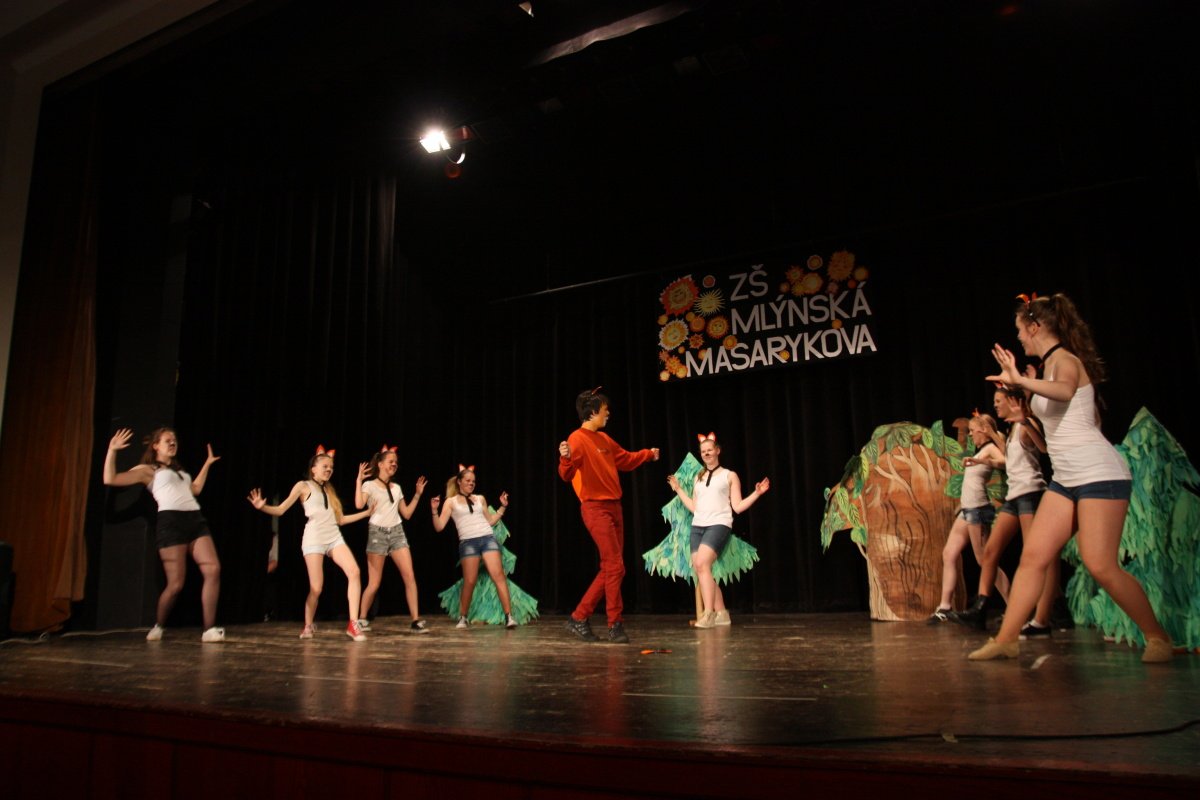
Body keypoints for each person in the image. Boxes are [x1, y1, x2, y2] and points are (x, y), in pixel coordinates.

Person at [969, 293, 1173, 662]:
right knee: (1033, 557)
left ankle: (1157, 637)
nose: (1019, 338)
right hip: (1066, 478)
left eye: (1021, 330)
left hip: (1098, 474)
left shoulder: (1065, 360)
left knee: (1100, 564)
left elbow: (1065, 392)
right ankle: (1006, 639)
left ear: (1035, 327)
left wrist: (1021, 380)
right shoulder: (1047, 367)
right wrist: (1025, 392)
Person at [102, 427, 225, 643]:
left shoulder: (180, 472)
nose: (173, 442)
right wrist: (112, 450)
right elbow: (110, 479)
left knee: (213, 569)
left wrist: (207, 464)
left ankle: (209, 629)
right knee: (176, 584)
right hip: (171, 523)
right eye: (168, 440)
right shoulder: (148, 470)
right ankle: (158, 626)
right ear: (156, 446)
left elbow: (195, 489)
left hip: (195, 521)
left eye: (174, 440)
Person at [557, 387, 659, 644]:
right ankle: (614, 624)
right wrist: (565, 459)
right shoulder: (577, 439)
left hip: (615, 507)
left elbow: (625, 459)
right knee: (615, 566)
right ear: (592, 413)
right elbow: (566, 475)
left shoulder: (604, 439)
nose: (608, 413)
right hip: (595, 508)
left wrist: (648, 454)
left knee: (613, 568)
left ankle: (579, 617)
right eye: (605, 410)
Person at [952, 386, 1056, 635]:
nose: (996, 405)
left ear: (1012, 401)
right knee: (989, 553)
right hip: (1014, 497)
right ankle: (980, 609)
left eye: (999, 401)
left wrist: (1025, 421)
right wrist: (992, 438)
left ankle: (1043, 615)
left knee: (1034, 556)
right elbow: (1008, 457)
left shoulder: (1026, 424)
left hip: (1030, 494)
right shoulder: (1010, 430)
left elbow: (1043, 448)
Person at [248, 447, 374, 641]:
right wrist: (262, 506)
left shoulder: (330, 490)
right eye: (325, 466)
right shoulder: (303, 486)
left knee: (354, 572)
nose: (329, 469)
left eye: (331, 467)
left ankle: (353, 623)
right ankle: (308, 625)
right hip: (314, 538)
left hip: (334, 537)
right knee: (316, 588)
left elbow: (340, 520)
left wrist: (366, 513)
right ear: (313, 469)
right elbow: (281, 510)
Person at [666, 432, 769, 628]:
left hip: (719, 524)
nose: (706, 454)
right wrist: (678, 489)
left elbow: (737, 506)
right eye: (703, 451)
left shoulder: (729, 475)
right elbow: (694, 507)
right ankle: (722, 613)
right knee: (700, 568)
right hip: (698, 525)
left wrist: (756, 493)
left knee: (703, 564)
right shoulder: (698, 478)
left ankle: (709, 614)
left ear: (717, 451)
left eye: (709, 450)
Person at [928, 413, 1006, 623]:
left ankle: (1013, 605)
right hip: (967, 510)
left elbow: (1005, 461)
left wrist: (982, 460)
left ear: (983, 430)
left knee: (985, 560)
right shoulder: (980, 450)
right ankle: (945, 608)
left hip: (978, 510)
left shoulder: (990, 448)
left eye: (972, 431)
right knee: (949, 554)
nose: (970, 435)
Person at [430, 466, 519, 630]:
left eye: (473, 481)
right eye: (468, 481)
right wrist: (434, 511)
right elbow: (439, 526)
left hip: (487, 539)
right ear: (459, 482)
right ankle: (463, 617)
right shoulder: (451, 502)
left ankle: (509, 617)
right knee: (470, 581)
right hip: (468, 543)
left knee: (499, 576)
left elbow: (490, 521)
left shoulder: (480, 499)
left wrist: (503, 507)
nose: (471, 484)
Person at [354, 446, 429, 634]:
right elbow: (359, 505)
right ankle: (361, 619)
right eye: (390, 462)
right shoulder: (369, 485)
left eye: (396, 462)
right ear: (380, 464)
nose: (394, 464)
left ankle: (415, 620)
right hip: (377, 534)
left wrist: (418, 494)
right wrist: (359, 480)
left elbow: (407, 513)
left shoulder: (397, 488)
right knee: (374, 583)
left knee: (409, 576)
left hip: (397, 532)